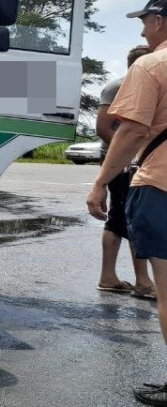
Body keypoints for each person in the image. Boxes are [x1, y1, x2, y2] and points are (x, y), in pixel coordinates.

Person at [85, 0, 167, 406]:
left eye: (146, 20)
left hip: (161, 184)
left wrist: (102, 180)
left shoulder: (151, 66)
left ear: (161, 20)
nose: (141, 29)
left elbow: (131, 131)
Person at [96, 45, 154, 299]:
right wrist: (128, 156)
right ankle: (140, 281)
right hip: (121, 163)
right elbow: (102, 127)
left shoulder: (144, 87)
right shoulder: (117, 87)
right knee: (125, 217)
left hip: (136, 162)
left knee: (126, 217)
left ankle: (114, 278)